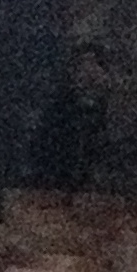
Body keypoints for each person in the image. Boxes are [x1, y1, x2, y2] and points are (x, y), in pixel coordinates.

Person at [28, 41, 113, 192]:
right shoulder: (59, 107)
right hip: (58, 174)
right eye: (82, 64)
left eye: (94, 63)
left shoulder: (105, 99)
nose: (89, 71)